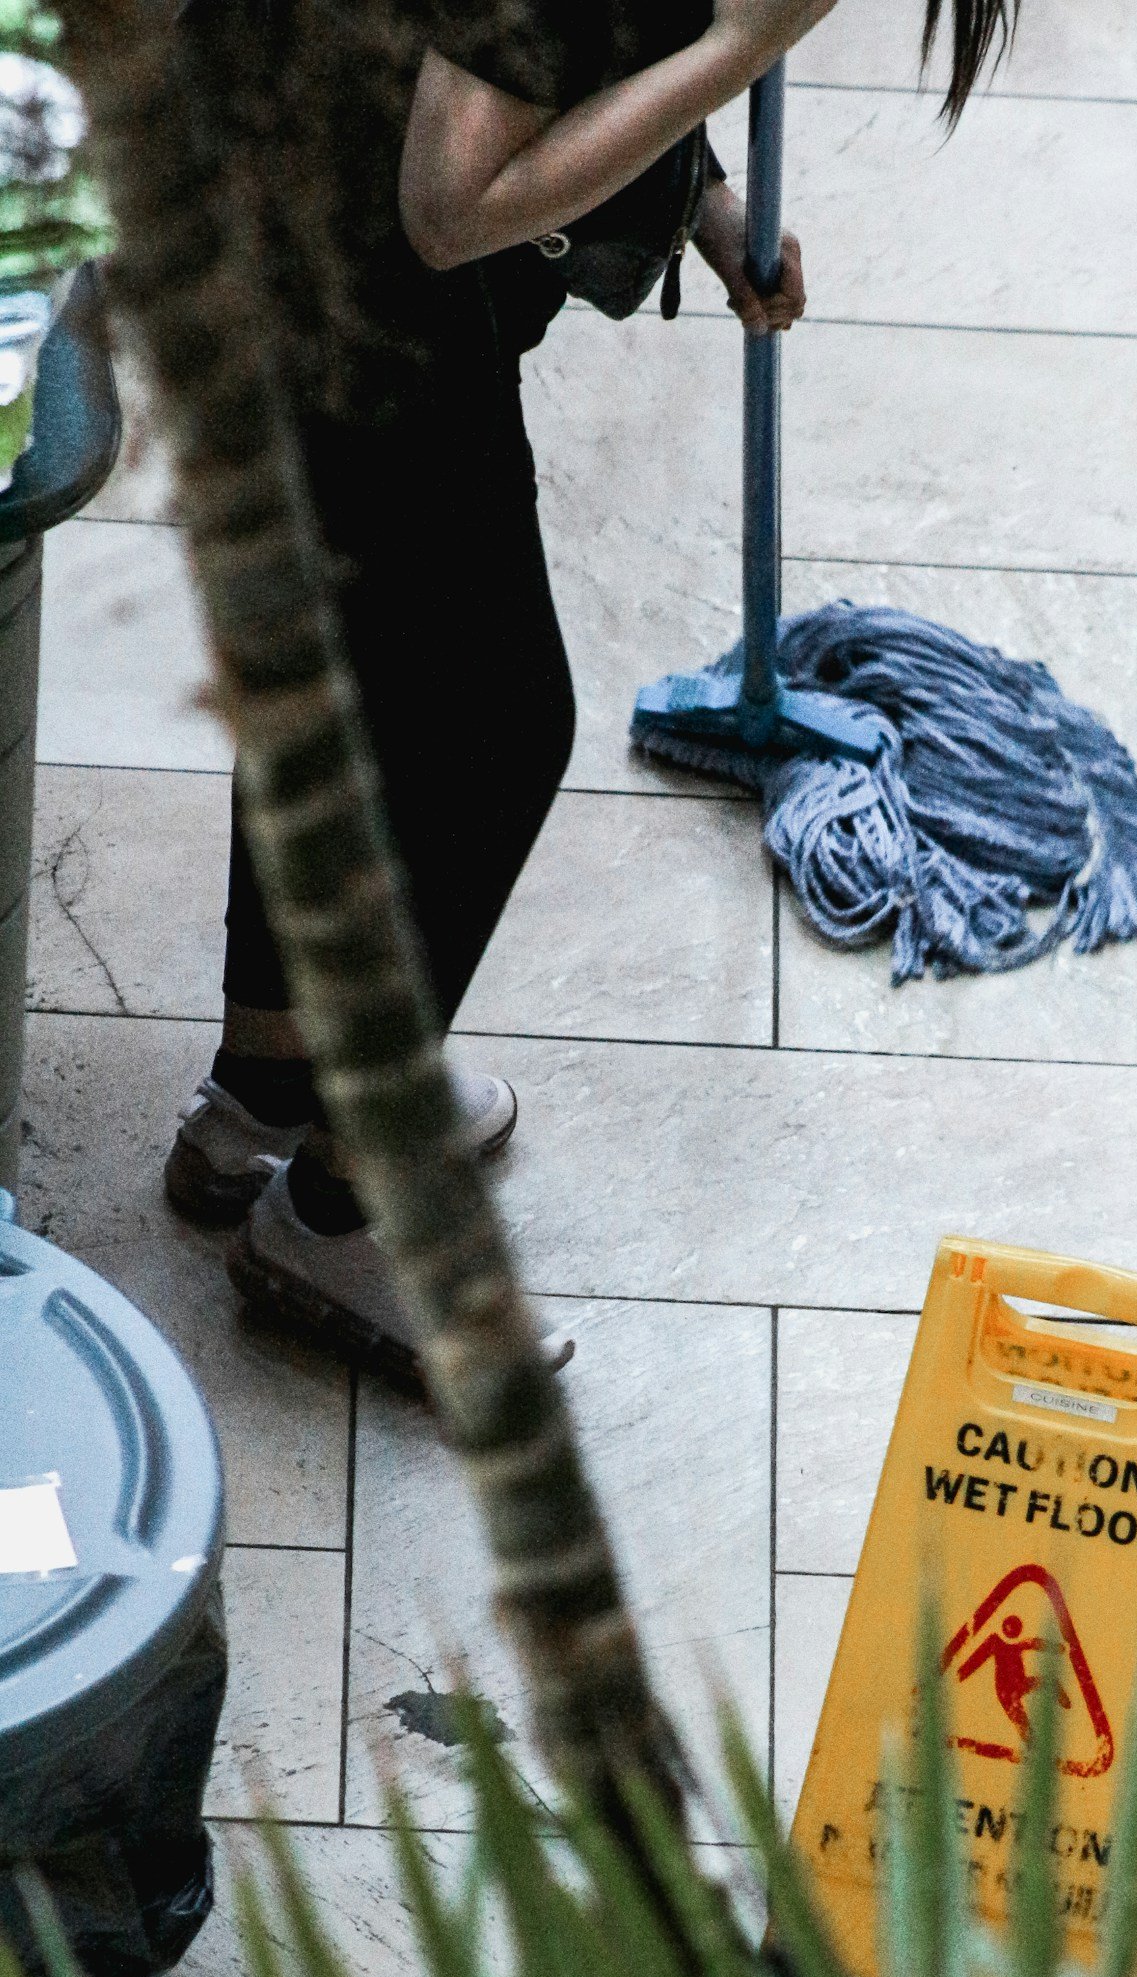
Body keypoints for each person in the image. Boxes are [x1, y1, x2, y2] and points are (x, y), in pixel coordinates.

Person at [164, 0, 1014, 1383]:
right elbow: (451, 203)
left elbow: (584, 41)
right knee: (493, 722)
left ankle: (261, 1091)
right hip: (322, 244)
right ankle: (334, 1206)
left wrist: (706, 202)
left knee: (346, 662)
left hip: (276, 157)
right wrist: (737, 48)